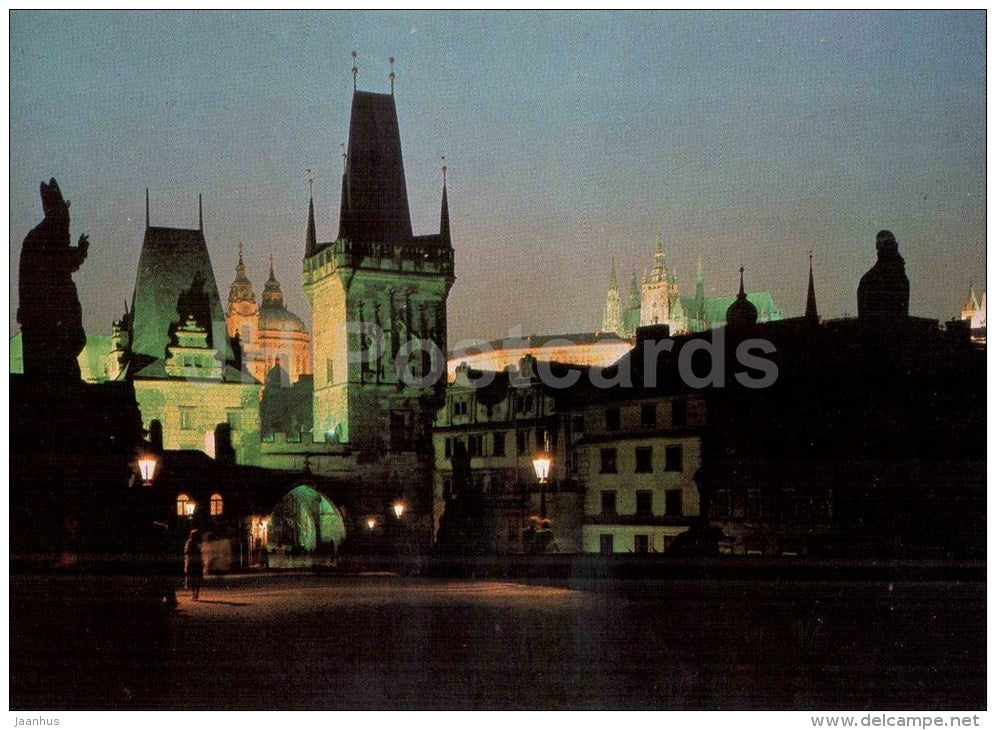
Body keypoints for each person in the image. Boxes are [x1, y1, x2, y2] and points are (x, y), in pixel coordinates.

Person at [183, 529, 204, 601]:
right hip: (197, 563)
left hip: (192, 563)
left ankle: (193, 595)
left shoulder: (189, 543)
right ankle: (196, 595)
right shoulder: (199, 543)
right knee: (197, 578)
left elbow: (186, 552)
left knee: (192, 579)